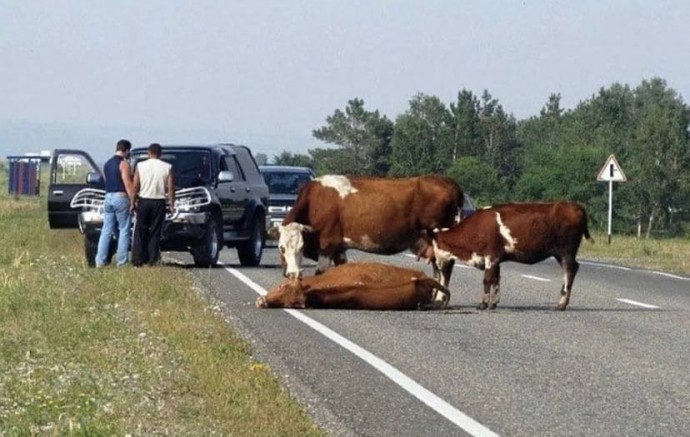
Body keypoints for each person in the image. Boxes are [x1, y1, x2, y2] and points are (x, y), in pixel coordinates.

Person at [131, 143, 175, 266]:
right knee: (155, 231)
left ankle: (137, 259)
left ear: (148, 153)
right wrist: (171, 204)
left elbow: (135, 185)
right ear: (160, 154)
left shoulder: (140, 166)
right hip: (159, 200)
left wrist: (132, 201)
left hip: (144, 199)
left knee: (140, 230)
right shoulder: (167, 167)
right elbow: (170, 187)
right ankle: (152, 259)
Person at [95, 139, 136, 267]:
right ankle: (122, 261)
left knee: (106, 230)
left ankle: (100, 261)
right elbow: (127, 183)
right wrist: (133, 200)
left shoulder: (107, 163)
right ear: (127, 150)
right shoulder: (124, 164)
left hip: (108, 197)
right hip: (120, 196)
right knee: (124, 230)